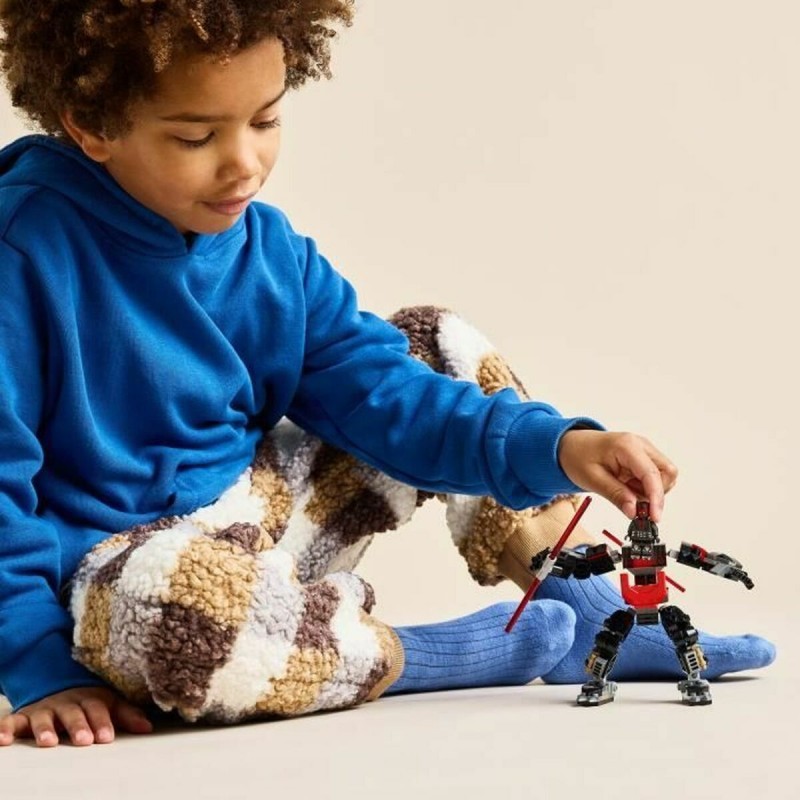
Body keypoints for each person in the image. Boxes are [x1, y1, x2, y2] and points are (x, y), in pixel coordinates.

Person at [0, 1, 774, 747]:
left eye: (266, 121)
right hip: (113, 583)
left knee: (432, 345)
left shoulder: (269, 252)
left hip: (257, 520)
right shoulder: (23, 252)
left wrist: (559, 448)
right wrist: (38, 665)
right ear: (91, 125)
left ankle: (591, 615)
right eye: (197, 136)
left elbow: (384, 396)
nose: (245, 164)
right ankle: (416, 656)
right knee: (168, 613)